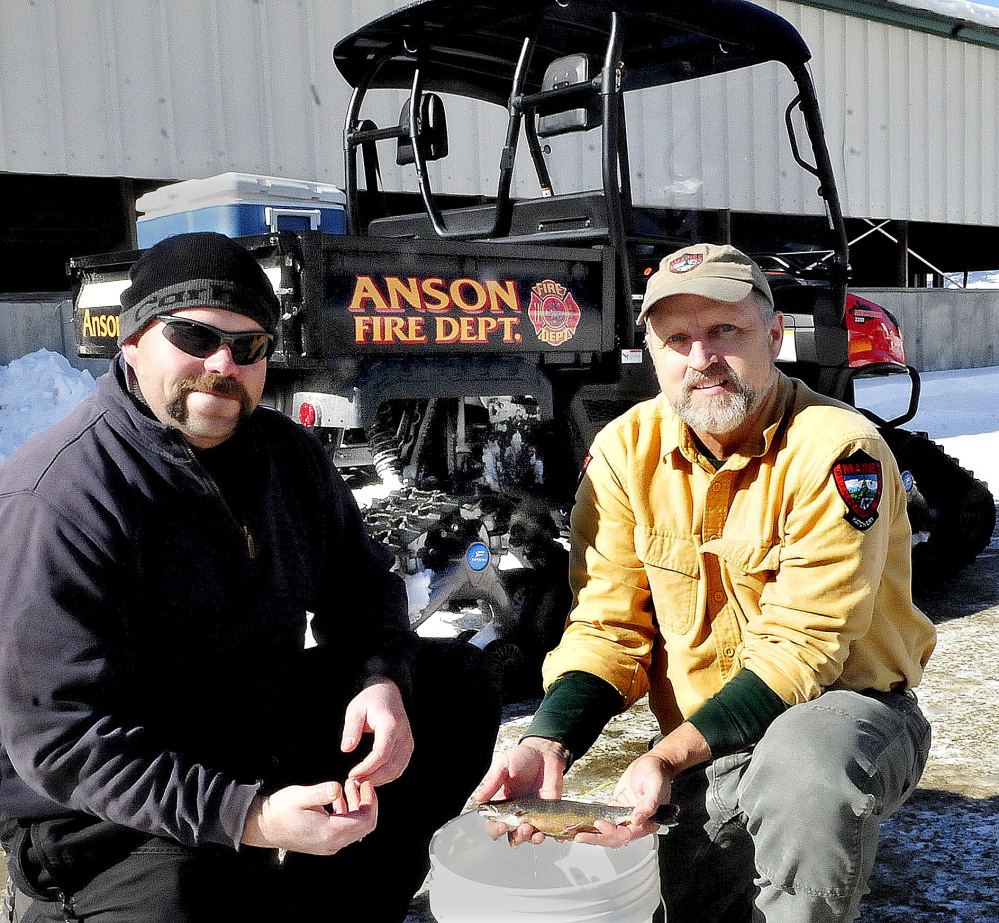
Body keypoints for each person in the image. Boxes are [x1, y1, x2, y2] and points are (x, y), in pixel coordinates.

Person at [0, 231, 498, 922]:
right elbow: (58, 739)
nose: (222, 364)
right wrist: (251, 817)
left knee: (451, 686)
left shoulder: (286, 455)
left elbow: (360, 586)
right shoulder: (59, 498)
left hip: (244, 721)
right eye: (194, 336)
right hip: (106, 808)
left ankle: (342, 906)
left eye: (250, 345)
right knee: (192, 894)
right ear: (133, 340)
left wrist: (378, 677)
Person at [475, 243, 935, 923]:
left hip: (845, 716)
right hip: (708, 740)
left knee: (804, 770)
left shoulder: (839, 448)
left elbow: (803, 646)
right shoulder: (624, 452)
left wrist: (664, 755)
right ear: (652, 355)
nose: (701, 357)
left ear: (773, 335)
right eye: (677, 338)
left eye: (726, 330)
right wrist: (547, 739)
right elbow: (607, 626)